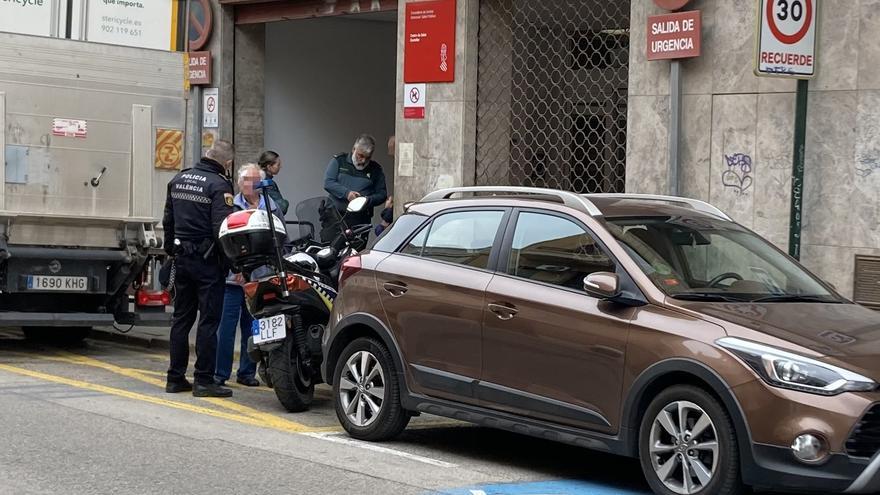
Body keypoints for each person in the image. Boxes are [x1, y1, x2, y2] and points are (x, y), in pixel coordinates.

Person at [162, 140, 236, 398]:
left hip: (181, 259)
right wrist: (231, 262)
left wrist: (170, 251)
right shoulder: (219, 185)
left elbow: (167, 220)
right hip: (208, 263)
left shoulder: (179, 179)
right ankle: (203, 380)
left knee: (181, 319)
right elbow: (221, 229)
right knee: (208, 321)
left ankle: (175, 377)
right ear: (227, 163)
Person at [214, 163, 282, 388]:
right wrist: (237, 269)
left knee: (253, 327)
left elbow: (280, 239)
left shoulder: (270, 206)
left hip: (260, 278)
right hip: (234, 280)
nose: (248, 185)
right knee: (226, 327)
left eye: (253, 180)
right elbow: (224, 240)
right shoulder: (230, 206)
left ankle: (246, 372)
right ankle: (220, 373)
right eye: (244, 180)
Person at [322, 134, 387, 242]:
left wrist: (366, 200)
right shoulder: (339, 161)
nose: (362, 160)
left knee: (355, 255)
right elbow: (328, 183)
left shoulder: (375, 169)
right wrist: (347, 193)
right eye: (360, 155)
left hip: (359, 220)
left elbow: (382, 194)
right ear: (354, 149)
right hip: (335, 217)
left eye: (367, 157)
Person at [257, 150, 289, 216]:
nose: (280, 167)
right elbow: (282, 207)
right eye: (278, 164)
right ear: (269, 167)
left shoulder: (255, 179)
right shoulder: (267, 183)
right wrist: (286, 203)